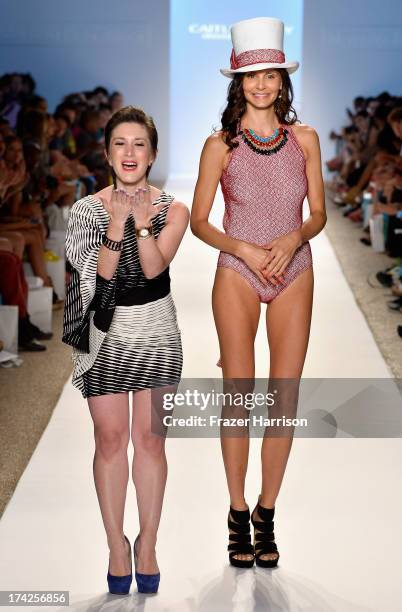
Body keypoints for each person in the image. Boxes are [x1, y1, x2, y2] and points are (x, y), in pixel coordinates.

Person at [191, 17, 326, 569]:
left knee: (284, 398)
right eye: (252, 76)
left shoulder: (305, 139)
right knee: (239, 395)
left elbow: (318, 214)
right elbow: (200, 221)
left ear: (282, 80)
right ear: (238, 82)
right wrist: (244, 250)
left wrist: (295, 234)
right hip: (238, 271)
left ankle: (267, 513)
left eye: (270, 75)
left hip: (295, 267)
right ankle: (237, 510)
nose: (262, 85)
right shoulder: (219, 144)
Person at [62, 105, 189, 594]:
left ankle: (149, 544)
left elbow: (155, 269)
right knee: (110, 440)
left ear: (153, 153)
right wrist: (117, 224)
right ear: (108, 152)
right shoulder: (84, 211)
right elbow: (100, 277)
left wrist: (137, 223)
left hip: (157, 331)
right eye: (120, 143)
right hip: (104, 335)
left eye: (139, 144)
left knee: (152, 441)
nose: (130, 153)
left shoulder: (172, 209)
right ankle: (117, 545)